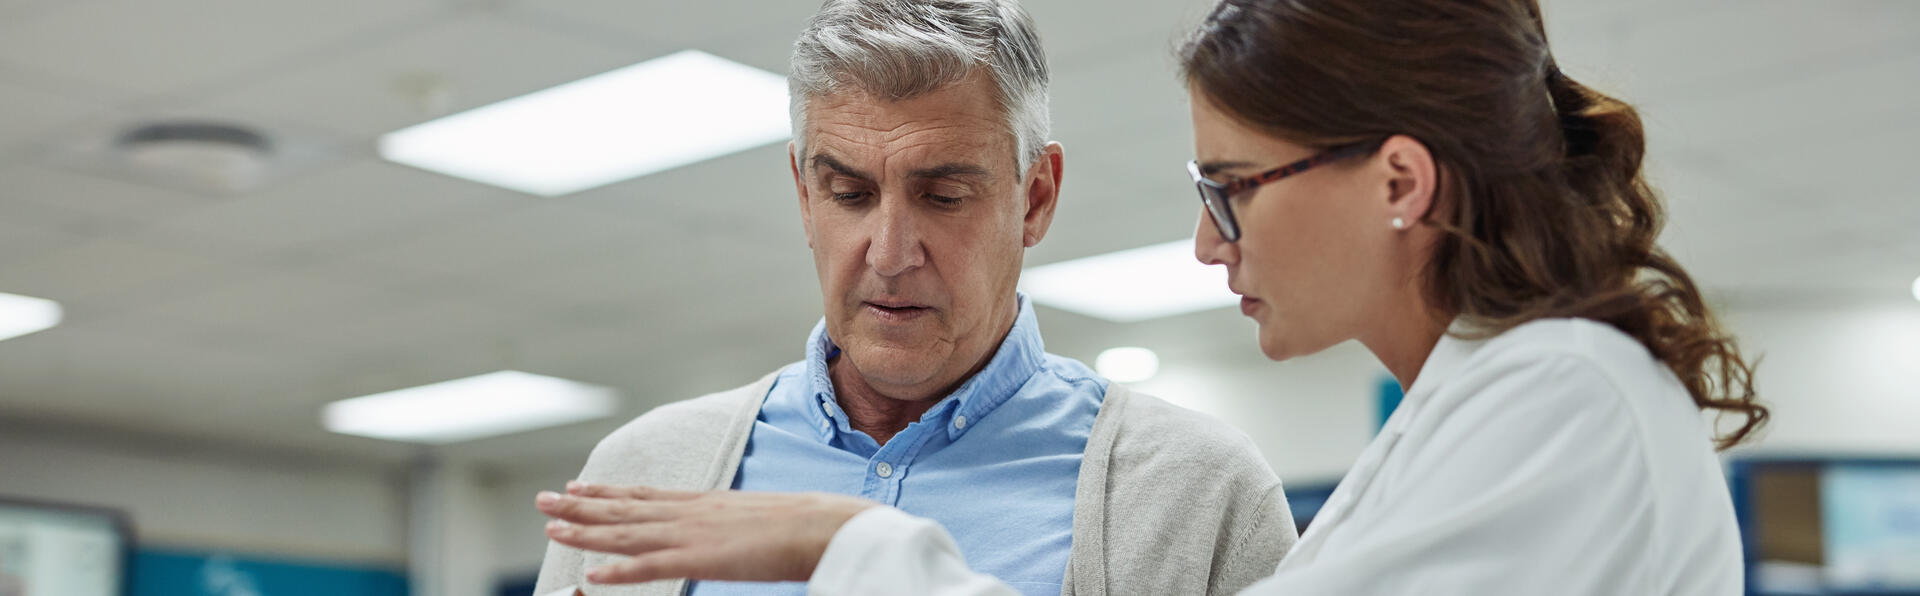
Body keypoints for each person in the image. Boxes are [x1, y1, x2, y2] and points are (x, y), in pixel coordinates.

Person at [533, 0, 1773, 593]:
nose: (1203, 240)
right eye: (846, 188)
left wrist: (847, 544)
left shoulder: (1557, 403)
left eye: (1233, 188)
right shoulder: (653, 472)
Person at [530, 1, 1297, 595]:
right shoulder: (646, 474)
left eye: (943, 196)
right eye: (850, 194)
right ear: (804, 195)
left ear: (1035, 198)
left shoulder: (1195, 491)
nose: (890, 255)